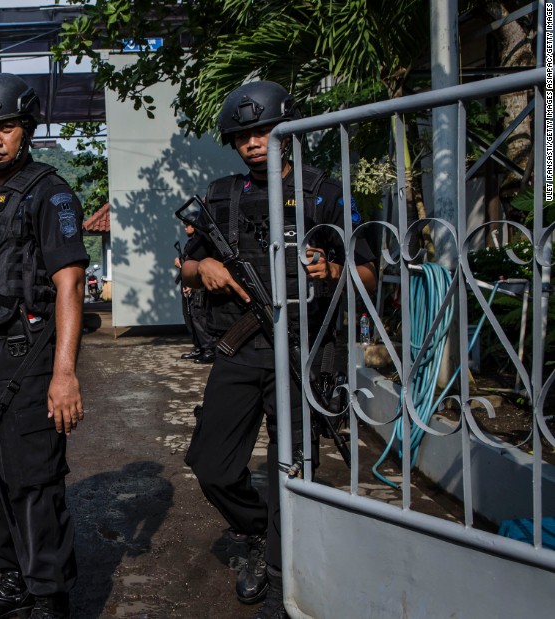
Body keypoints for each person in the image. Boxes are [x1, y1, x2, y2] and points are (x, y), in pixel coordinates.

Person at [179, 81, 376, 619]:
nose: (254, 142)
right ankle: (257, 530)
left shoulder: (326, 192)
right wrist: (206, 268)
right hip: (240, 350)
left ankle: (280, 573)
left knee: (297, 468)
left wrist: (332, 270)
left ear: (288, 131)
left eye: (263, 130)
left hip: (303, 351)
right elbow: (187, 266)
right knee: (212, 465)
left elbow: (368, 271)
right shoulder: (221, 195)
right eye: (243, 135)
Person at [0, 73, 88, 619]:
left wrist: (65, 374)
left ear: (26, 128)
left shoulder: (50, 193)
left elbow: (69, 283)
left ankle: (50, 597)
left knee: (33, 482)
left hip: (24, 358)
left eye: (4, 126)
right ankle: (14, 580)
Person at [174, 221, 215, 363]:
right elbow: (189, 261)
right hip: (188, 285)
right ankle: (199, 348)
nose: (185, 227)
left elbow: (202, 266)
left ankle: (209, 350)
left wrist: (193, 284)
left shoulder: (202, 243)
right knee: (190, 317)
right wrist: (180, 260)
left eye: (187, 224)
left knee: (199, 317)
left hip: (198, 286)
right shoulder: (191, 243)